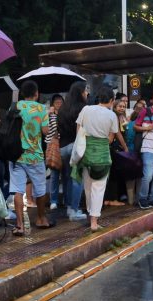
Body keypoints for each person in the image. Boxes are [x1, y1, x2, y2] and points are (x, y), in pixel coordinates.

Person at [72, 86, 118, 231]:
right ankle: (94, 221)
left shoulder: (86, 109)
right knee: (99, 188)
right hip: (103, 155)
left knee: (88, 187)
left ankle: (89, 215)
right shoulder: (112, 116)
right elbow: (111, 138)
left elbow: (78, 130)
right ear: (111, 100)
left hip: (86, 153)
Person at [10, 80, 52, 236]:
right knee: (40, 189)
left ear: (22, 93)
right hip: (35, 155)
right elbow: (46, 131)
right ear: (36, 93)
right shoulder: (41, 109)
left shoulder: (15, 106)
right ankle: (41, 219)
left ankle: (19, 225)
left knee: (17, 190)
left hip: (16, 155)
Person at [56, 82, 88, 221]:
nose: (86, 93)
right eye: (85, 91)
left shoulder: (63, 108)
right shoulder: (83, 108)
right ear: (80, 92)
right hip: (76, 147)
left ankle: (69, 207)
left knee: (67, 178)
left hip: (62, 147)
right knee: (77, 179)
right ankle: (74, 210)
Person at [104, 99, 129, 206]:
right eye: (119, 106)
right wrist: (125, 147)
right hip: (115, 148)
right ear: (114, 107)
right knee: (113, 174)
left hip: (118, 148)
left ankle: (112, 198)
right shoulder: (113, 117)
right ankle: (111, 199)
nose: (122, 108)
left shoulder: (122, 118)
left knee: (115, 174)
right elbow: (117, 133)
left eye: (123, 106)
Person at [47, 94, 65, 210]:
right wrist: (49, 113)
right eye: (56, 102)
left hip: (64, 145)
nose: (58, 104)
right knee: (54, 174)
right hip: (53, 146)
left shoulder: (66, 114)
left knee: (65, 174)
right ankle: (53, 200)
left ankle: (64, 198)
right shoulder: (49, 115)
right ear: (52, 104)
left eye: (60, 102)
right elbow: (45, 127)